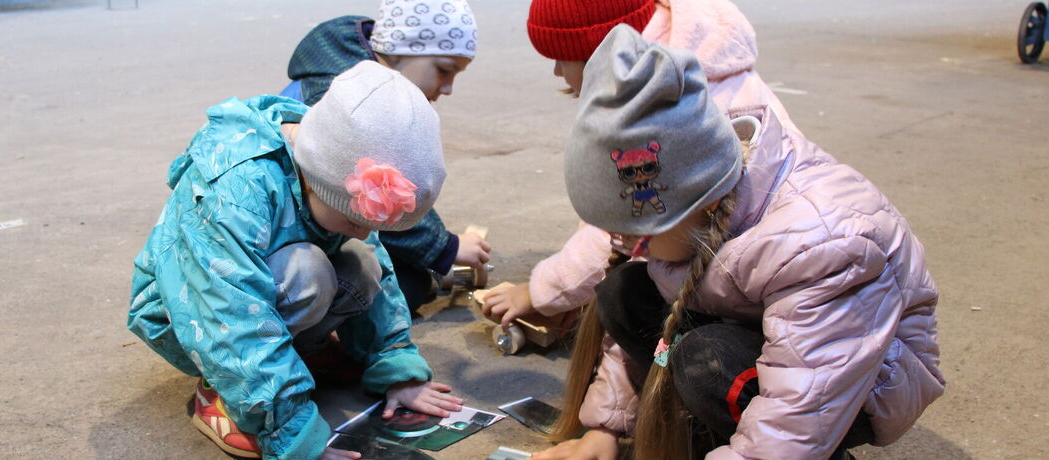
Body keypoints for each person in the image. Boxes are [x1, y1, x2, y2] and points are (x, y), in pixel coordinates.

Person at [531, 26, 944, 460]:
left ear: (699, 204)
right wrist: (605, 431)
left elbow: (802, 407)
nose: (625, 244)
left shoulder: (824, 244)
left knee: (706, 362)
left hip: (860, 381)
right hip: (773, 332)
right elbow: (657, 320)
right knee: (624, 290)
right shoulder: (697, 206)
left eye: (637, 233)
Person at [127, 62, 464, 460]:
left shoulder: (334, 167)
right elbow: (231, 316)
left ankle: (298, 354)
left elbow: (381, 276)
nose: (360, 230)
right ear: (317, 179)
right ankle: (221, 391)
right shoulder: (234, 190)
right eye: (353, 219)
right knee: (307, 271)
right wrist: (292, 434)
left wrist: (396, 367)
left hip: (256, 298)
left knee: (363, 260)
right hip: (191, 317)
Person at [483, 0, 802, 335]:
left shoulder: (668, 110)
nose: (557, 72)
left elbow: (618, 228)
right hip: (743, 259)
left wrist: (544, 292)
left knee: (626, 293)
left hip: (750, 295)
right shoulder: (687, 62)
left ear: (603, 55)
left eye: (562, 58)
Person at [283, 0, 490, 312]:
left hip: (327, 217)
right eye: (444, 70)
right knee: (401, 288)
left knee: (408, 280)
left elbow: (391, 187)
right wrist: (445, 247)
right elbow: (371, 204)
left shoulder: (365, 77)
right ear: (399, 49)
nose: (447, 88)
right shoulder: (351, 102)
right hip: (297, 232)